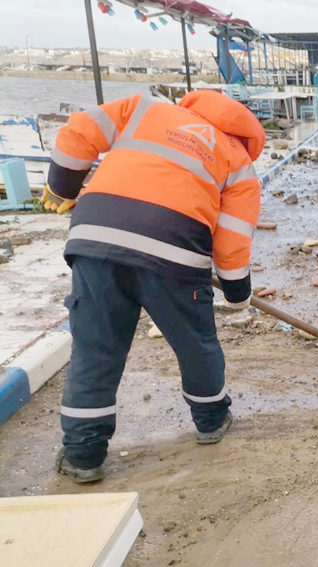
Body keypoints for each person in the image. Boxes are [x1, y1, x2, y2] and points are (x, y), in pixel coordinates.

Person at [43, 90, 266, 483]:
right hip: (176, 251)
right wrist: (237, 294)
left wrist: (62, 185)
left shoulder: (145, 108)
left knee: (96, 347)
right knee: (195, 343)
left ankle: (83, 455)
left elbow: (80, 132)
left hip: (96, 237)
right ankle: (212, 421)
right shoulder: (240, 164)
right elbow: (231, 241)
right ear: (249, 140)